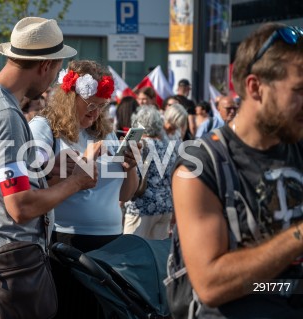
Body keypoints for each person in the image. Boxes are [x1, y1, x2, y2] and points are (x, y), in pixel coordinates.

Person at [0, 17, 98, 318]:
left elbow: (0, 175)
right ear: (44, 66)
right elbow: (19, 205)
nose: (53, 80)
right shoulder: (4, 115)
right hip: (8, 260)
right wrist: (75, 182)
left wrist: (44, 169)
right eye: (57, 68)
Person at [171, 23, 303, 318]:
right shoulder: (200, 165)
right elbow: (210, 285)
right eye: (299, 90)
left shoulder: (297, 147)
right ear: (255, 87)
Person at [29, 59, 139, 318]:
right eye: (91, 105)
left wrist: (131, 166)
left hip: (111, 241)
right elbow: (33, 190)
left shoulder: (105, 132)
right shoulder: (44, 128)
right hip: (66, 241)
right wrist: (84, 163)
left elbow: (125, 196)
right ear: (69, 98)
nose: (96, 113)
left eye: (102, 106)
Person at [123, 106, 177, 239]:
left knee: (132, 253)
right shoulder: (168, 147)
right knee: (157, 254)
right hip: (165, 207)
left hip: (141, 208)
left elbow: (130, 174)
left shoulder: (137, 146)